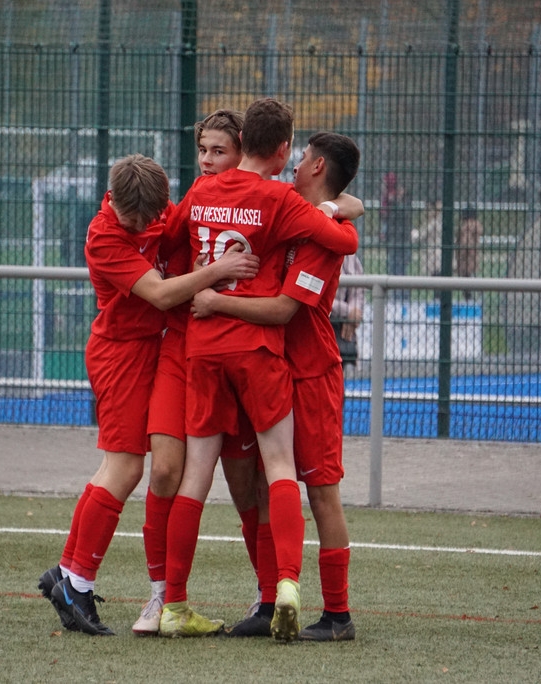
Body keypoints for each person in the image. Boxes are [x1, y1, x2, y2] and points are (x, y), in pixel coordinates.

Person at [159, 98, 363, 641]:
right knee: (253, 484)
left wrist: (212, 297)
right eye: (291, 153)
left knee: (318, 489)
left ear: (317, 167)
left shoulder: (271, 207)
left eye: (304, 159)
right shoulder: (285, 202)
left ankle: (336, 614)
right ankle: (272, 595)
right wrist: (340, 213)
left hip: (301, 369)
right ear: (280, 150)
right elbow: (344, 223)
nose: (295, 163)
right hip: (258, 361)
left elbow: (287, 307)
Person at [36, 154, 260, 636]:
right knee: (125, 466)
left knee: (118, 468)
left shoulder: (158, 210)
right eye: (133, 220)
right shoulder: (104, 236)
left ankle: (69, 574)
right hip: (120, 353)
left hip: (153, 351)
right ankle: (76, 583)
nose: (144, 227)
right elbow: (159, 294)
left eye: (151, 219)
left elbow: (194, 218)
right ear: (113, 200)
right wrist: (218, 270)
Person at [131, 108, 252, 636]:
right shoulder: (188, 207)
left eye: (218, 150)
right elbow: (146, 238)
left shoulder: (264, 202)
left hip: (244, 360)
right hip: (181, 352)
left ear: (243, 152)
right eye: (202, 150)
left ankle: (268, 597)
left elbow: (329, 220)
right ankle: (162, 598)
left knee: (252, 487)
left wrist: (342, 204)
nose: (206, 161)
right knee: (164, 470)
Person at [331, 252, 364, 375]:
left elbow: (358, 291)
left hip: (340, 331)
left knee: (337, 386)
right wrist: (347, 312)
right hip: (317, 328)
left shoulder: (349, 256)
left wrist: (352, 316)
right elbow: (316, 296)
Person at [380, 172, 410, 278]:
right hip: (393, 235)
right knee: (394, 267)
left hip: (400, 236)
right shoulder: (388, 198)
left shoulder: (398, 200)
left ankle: (400, 293)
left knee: (399, 268)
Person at [455, 207, 484, 299]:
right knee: (473, 279)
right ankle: (476, 299)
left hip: (465, 259)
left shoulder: (466, 227)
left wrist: (460, 256)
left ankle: (469, 300)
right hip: (474, 256)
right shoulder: (477, 226)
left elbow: (465, 243)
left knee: (466, 282)